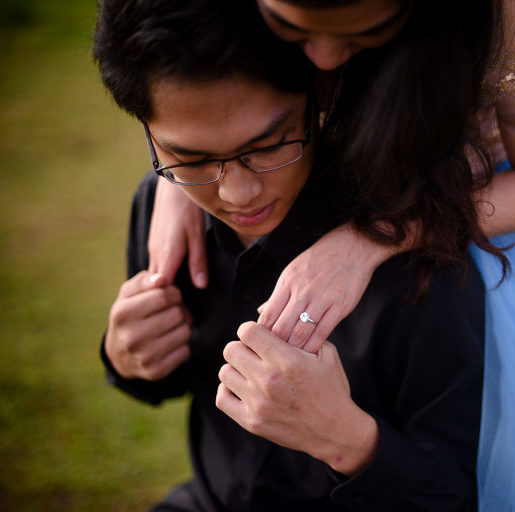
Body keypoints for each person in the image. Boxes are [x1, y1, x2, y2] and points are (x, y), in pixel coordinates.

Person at [141, 0, 515, 510]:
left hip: (474, 213)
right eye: (292, 27)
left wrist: (368, 240)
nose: (326, 59)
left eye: (364, 31)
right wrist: (178, 179)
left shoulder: (502, 11)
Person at [93, 0, 485, 510]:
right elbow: (170, 378)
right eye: (190, 159)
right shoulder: (163, 201)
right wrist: (125, 359)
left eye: (269, 147)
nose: (237, 194)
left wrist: (345, 438)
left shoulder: (415, 259)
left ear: (319, 92)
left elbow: (463, 494)